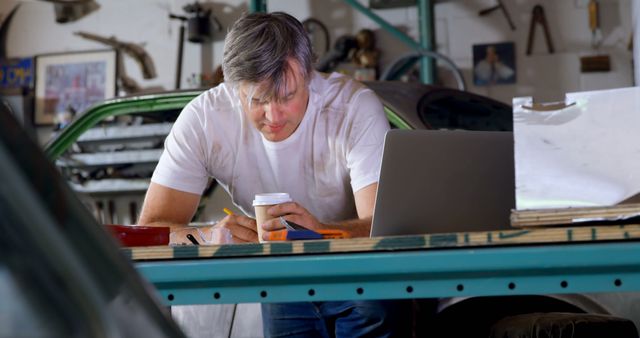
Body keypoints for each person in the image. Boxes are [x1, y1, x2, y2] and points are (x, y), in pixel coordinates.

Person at [138, 11, 410, 337]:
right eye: (258, 100)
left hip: (362, 272)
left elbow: (382, 229)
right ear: (233, 87)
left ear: (309, 75)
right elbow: (150, 230)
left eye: (286, 97)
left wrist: (323, 233)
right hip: (281, 277)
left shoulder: (353, 108)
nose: (273, 116)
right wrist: (208, 238)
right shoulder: (204, 119)